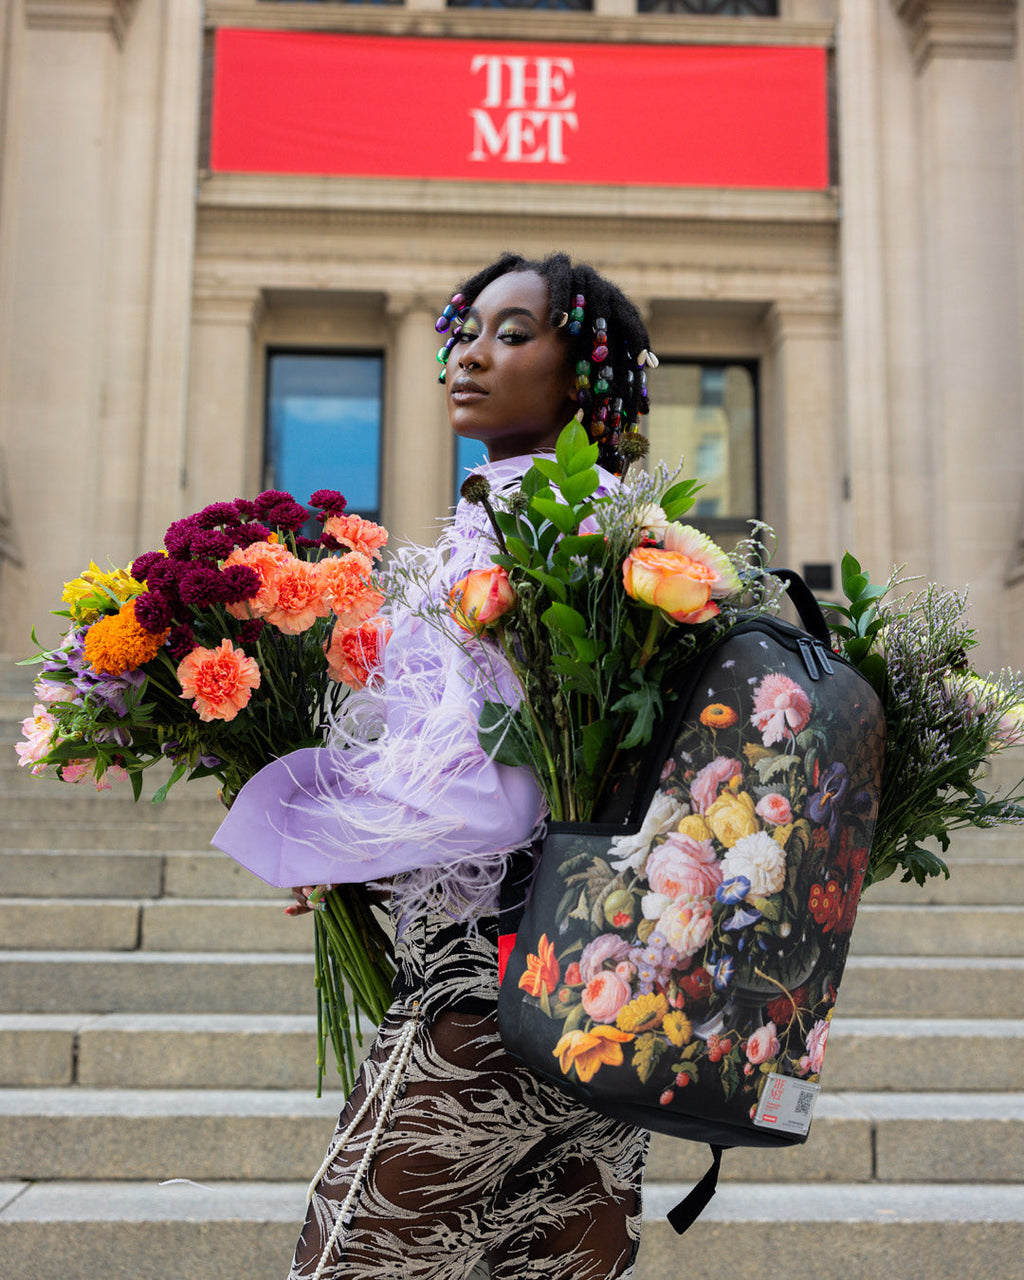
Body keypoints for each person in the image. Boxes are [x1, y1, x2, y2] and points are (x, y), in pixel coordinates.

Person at [213, 252, 656, 1280]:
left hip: (489, 996)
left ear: (586, 375)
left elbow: (500, 795)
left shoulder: (538, 536)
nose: (470, 353)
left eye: (512, 333)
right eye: (467, 329)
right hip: (605, 1010)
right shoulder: (616, 532)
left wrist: (324, 821)